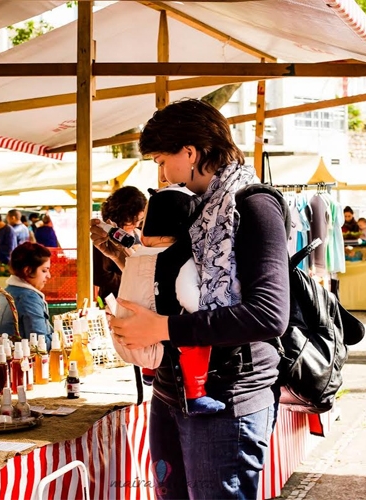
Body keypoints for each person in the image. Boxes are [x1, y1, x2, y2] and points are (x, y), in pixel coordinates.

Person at [92, 98, 288, 499]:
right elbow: (175, 275)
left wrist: (162, 327)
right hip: (171, 387)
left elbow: (269, 315)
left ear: (191, 151)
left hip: (227, 395)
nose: (163, 174)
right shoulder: (200, 208)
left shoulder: (253, 205)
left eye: (163, 161)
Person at [112, 186, 225, 415]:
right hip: (162, 345)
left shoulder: (133, 258)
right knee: (194, 334)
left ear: (144, 234)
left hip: (128, 342)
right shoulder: (181, 259)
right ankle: (195, 396)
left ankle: (149, 373)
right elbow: (189, 298)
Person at [0, 242, 54, 346]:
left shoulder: (4, 293)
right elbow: (40, 345)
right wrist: (60, 336)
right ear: (27, 271)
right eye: (44, 270)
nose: (48, 276)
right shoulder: (28, 298)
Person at [94, 186, 147, 302]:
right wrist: (132, 277)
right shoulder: (104, 237)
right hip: (115, 301)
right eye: (132, 220)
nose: (137, 224)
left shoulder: (139, 234)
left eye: (140, 220)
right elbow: (100, 277)